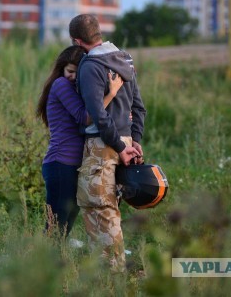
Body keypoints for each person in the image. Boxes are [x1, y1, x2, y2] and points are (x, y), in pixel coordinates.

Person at [69, 14, 147, 272]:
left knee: (99, 207)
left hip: (103, 145)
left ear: (77, 41)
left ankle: (111, 272)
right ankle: (109, 268)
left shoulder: (91, 65)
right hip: (123, 139)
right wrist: (134, 141)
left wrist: (120, 146)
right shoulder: (124, 58)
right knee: (111, 207)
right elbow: (139, 106)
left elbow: (96, 113)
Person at [36, 46, 123, 238]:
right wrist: (111, 94)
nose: (73, 76)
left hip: (73, 165)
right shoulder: (60, 84)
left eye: (77, 72)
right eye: (70, 71)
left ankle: (54, 264)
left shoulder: (74, 88)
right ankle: (39, 265)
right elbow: (85, 117)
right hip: (61, 164)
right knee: (55, 225)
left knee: (65, 226)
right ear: (61, 69)